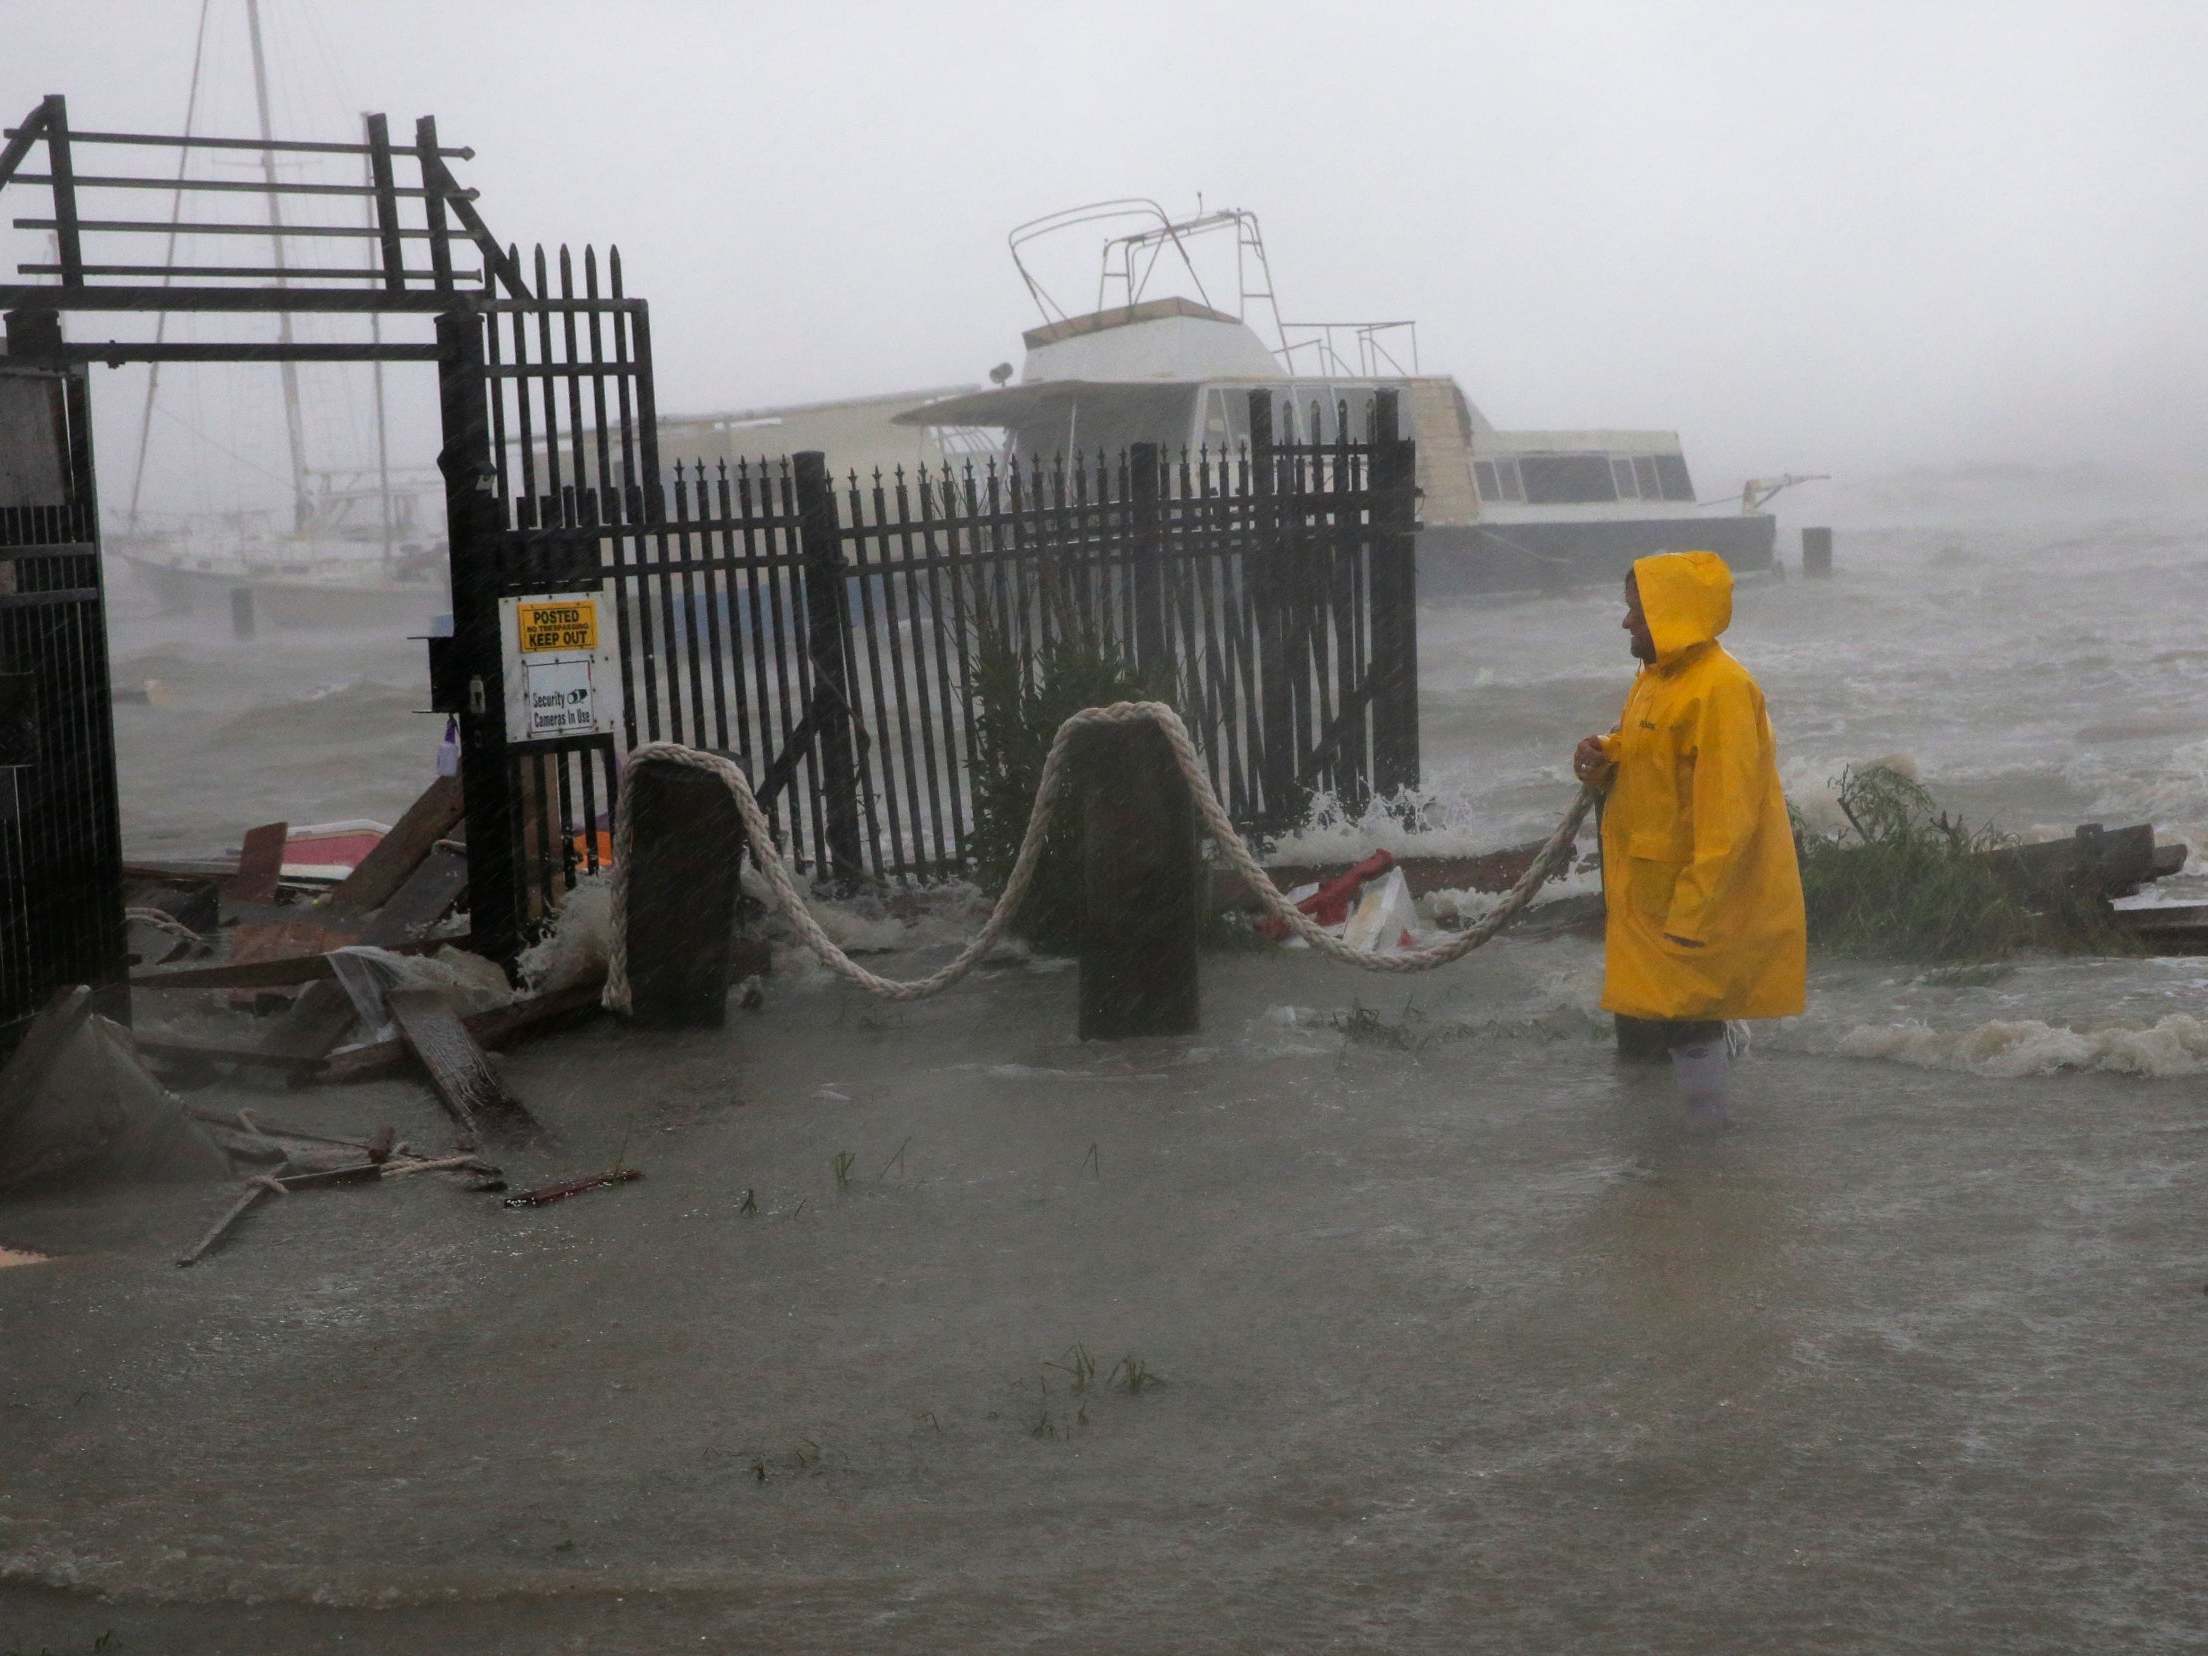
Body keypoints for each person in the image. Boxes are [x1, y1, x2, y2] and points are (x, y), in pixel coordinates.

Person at [1571, 551, 1806, 1126]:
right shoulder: (1656, 679)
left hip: (1682, 906)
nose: (1627, 623)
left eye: (1637, 611)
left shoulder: (1721, 690)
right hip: (1646, 902)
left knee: (1690, 1033)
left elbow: (1729, 819)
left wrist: (1695, 916)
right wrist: (1605, 754)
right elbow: (1653, 754)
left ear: (1671, 614)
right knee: (1645, 1042)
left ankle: (1706, 1167)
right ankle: (1662, 1168)